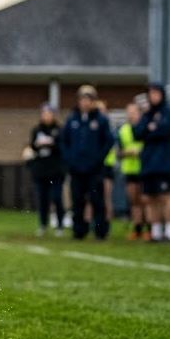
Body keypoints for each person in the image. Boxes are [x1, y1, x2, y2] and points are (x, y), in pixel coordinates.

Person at [60, 85, 114, 240]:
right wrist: (69, 159)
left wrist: (98, 159)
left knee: (97, 200)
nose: (85, 102)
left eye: (88, 99)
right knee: (77, 200)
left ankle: (100, 231)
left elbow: (108, 141)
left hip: (94, 169)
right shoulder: (72, 120)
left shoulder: (101, 120)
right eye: (82, 99)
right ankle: (79, 231)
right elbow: (64, 141)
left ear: (93, 101)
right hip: (76, 168)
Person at [133, 83, 170, 242]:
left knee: (165, 196)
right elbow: (137, 132)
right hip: (148, 164)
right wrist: (150, 128)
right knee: (150, 198)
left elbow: (165, 130)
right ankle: (156, 231)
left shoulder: (169, 113)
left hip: (164, 163)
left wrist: (151, 130)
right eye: (150, 93)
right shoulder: (147, 115)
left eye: (156, 93)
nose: (153, 96)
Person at [29, 103, 66, 237]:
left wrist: (51, 144)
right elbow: (32, 147)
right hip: (41, 170)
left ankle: (60, 225)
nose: (46, 116)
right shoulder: (36, 130)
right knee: (42, 199)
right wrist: (38, 145)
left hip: (55, 170)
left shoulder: (59, 130)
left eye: (49, 113)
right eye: (44, 114)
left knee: (56, 197)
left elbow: (62, 148)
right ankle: (43, 225)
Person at [118, 103, 146, 240]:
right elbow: (119, 151)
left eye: (134, 112)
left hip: (144, 168)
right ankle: (137, 227)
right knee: (134, 199)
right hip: (129, 168)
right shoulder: (123, 129)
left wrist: (141, 151)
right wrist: (127, 152)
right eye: (129, 112)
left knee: (144, 199)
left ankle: (149, 228)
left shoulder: (145, 128)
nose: (131, 115)